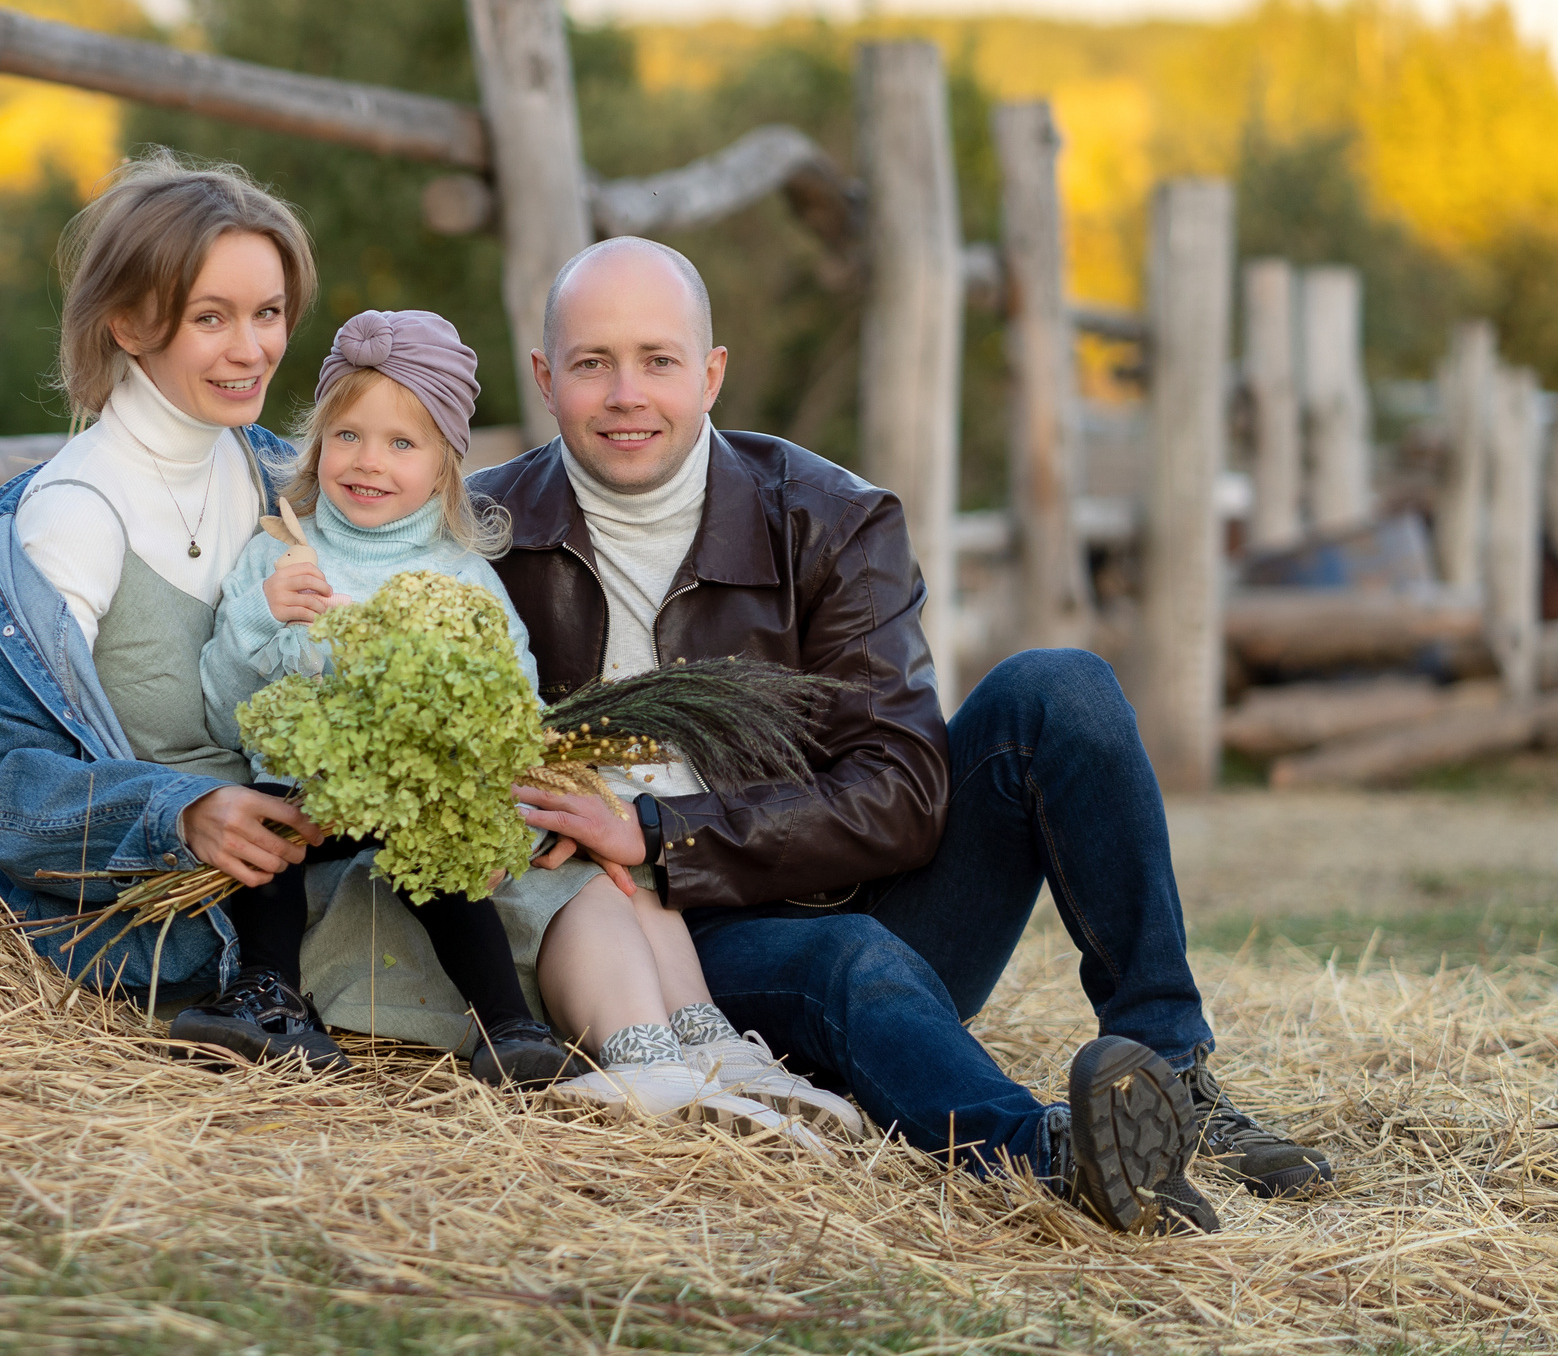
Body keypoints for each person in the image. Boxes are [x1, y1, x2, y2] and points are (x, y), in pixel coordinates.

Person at [479, 235, 1334, 1235]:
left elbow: (903, 788)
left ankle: (1168, 1075)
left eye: (658, 360)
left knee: (1060, 690)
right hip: (654, 952)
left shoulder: (827, 518)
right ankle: (1056, 1155)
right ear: (544, 377)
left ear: (711, 373)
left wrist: (669, 832)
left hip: (857, 886)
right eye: (592, 363)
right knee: (846, 955)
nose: (627, 393)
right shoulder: (483, 533)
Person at [200, 310, 858, 1136]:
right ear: (317, 443)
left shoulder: (464, 577)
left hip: (424, 809)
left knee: (479, 864)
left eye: (403, 443)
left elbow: (513, 704)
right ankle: (265, 990)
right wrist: (265, 623)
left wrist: (507, 776)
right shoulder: (278, 556)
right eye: (348, 436)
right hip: (309, 797)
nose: (370, 461)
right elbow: (222, 700)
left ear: (446, 462)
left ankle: (630, 1042)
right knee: (276, 838)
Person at [0, 154, 328, 1042]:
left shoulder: (275, 472)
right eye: (211, 318)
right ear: (127, 322)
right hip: (174, 917)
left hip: (301, 867)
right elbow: (1, 784)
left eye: (268, 312)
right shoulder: (75, 515)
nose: (253, 348)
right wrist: (180, 812)